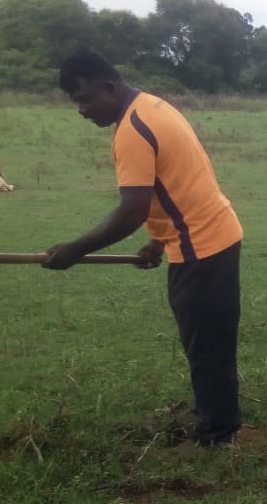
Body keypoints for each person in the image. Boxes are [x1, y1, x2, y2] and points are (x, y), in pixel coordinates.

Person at [44, 50, 244, 448]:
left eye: (86, 99)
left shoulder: (133, 129)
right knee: (209, 341)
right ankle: (218, 419)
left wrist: (75, 250)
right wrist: (158, 240)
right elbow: (176, 183)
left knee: (205, 345)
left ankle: (216, 436)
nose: (82, 110)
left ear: (109, 87)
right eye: (76, 103)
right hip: (212, 235)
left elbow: (132, 209)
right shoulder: (152, 105)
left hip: (201, 247)